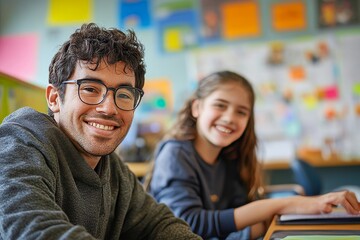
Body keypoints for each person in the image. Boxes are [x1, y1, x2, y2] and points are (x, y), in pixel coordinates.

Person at [0, 23, 201, 240]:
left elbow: (161, 225)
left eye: (124, 94)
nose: (109, 108)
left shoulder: (112, 169)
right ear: (54, 98)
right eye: (90, 89)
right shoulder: (18, 144)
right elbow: (37, 232)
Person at [145, 70, 360, 239]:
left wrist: (258, 224)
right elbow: (189, 225)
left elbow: (243, 212)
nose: (230, 118)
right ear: (197, 108)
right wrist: (283, 205)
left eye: (241, 112)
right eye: (220, 105)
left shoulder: (230, 155)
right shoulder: (175, 154)